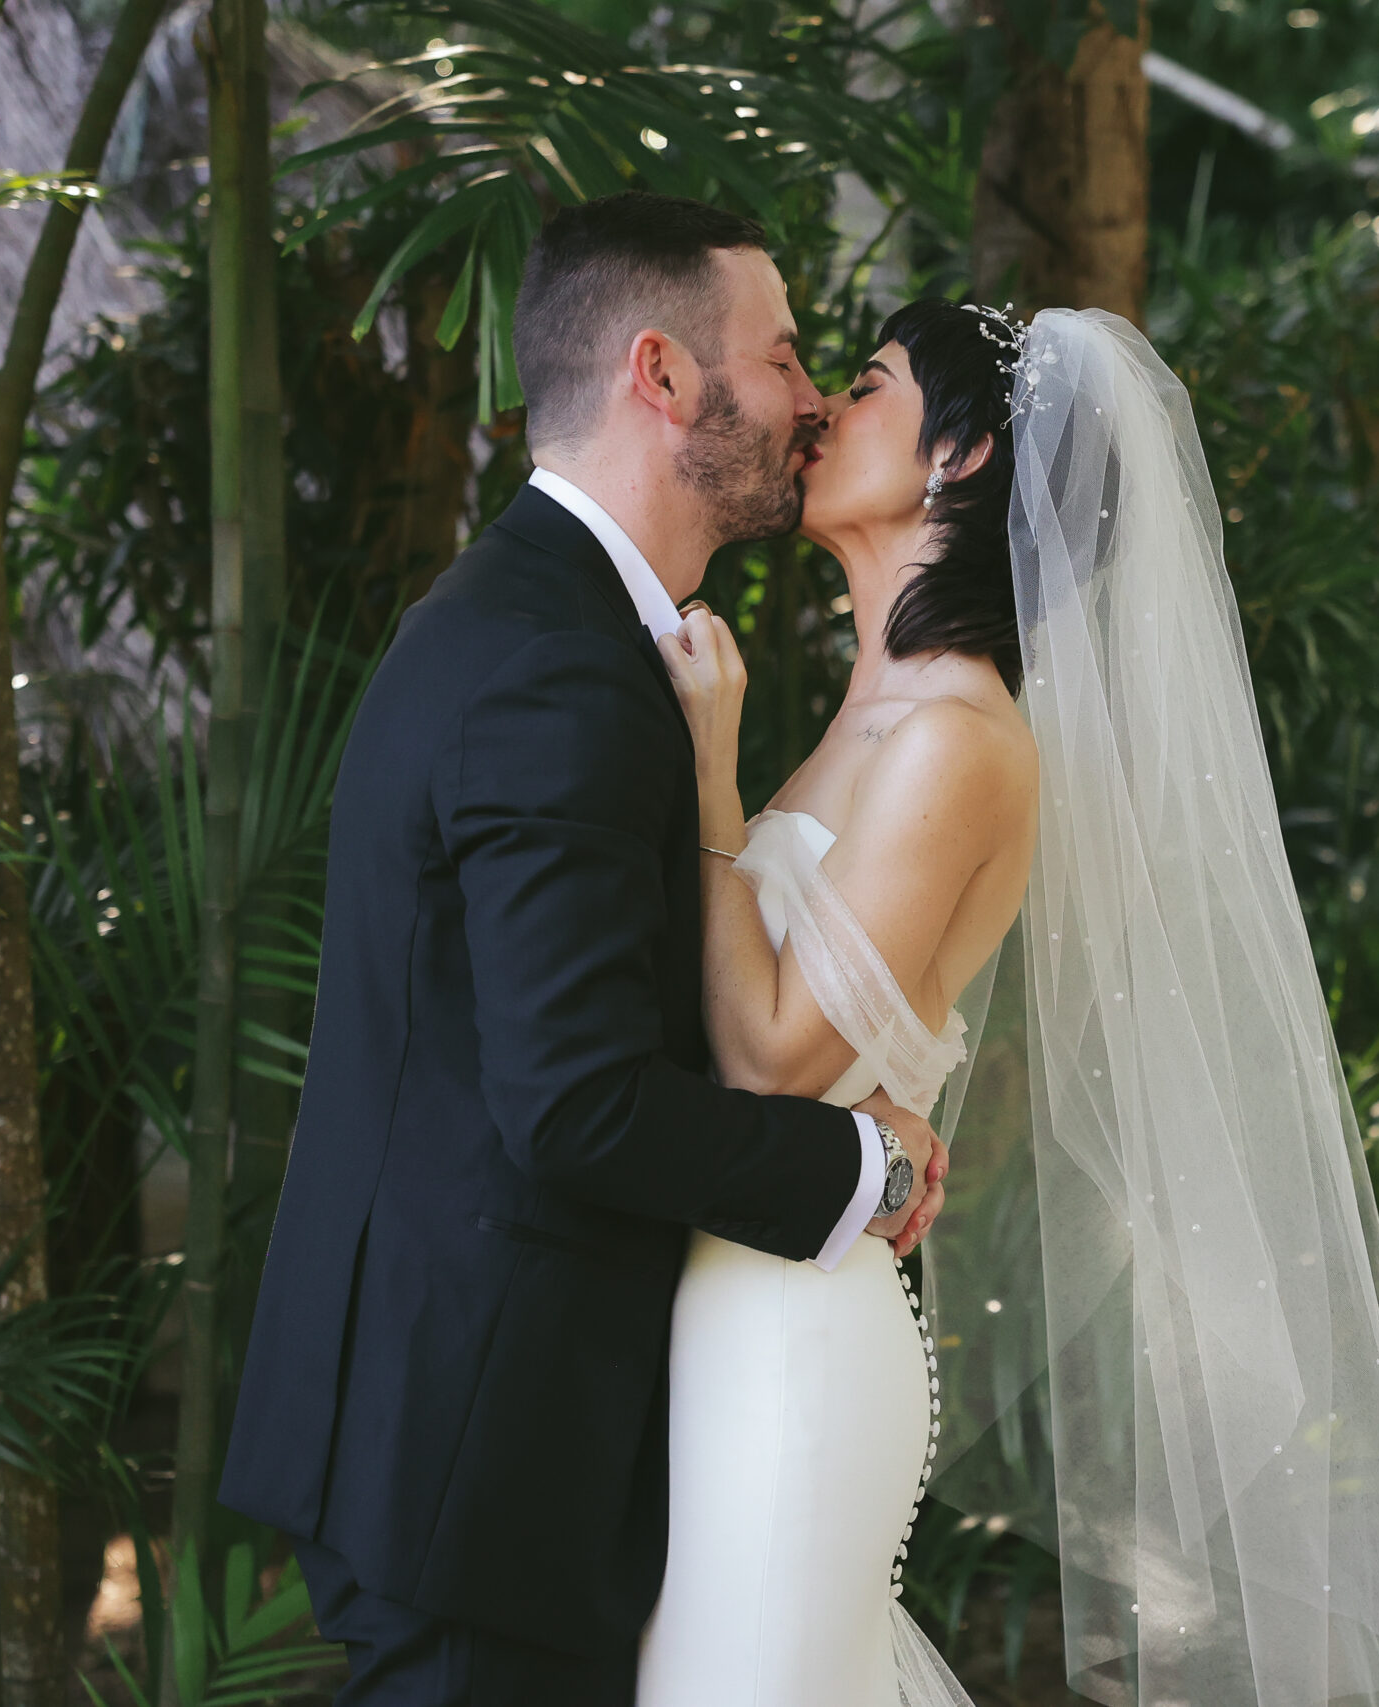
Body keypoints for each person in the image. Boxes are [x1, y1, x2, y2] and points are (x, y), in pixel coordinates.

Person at [649, 297, 1379, 1705]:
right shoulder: (875, 712)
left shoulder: (959, 739)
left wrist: (711, 777)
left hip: (791, 1336)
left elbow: (780, 1059)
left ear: (960, 461)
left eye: (865, 384)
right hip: (720, 1306)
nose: (823, 412)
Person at [218, 191, 951, 1707]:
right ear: (664, 376)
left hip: (463, 1431)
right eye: (788, 354)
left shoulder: (537, 629)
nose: (812, 398)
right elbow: (576, 1101)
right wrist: (858, 1172)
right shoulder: (557, 669)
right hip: (476, 1456)